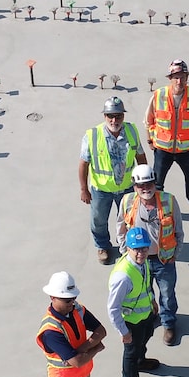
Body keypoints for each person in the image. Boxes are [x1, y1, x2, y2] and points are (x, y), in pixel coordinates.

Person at [116, 162, 183, 346]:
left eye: (149, 184)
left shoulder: (169, 200)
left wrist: (175, 254)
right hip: (139, 261)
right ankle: (153, 315)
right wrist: (125, 253)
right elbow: (121, 228)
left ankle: (168, 323)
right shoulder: (127, 202)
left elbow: (178, 230)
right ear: (135, 186)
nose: (146, 189)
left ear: (155, 183)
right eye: (141, 185)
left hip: (164, 259)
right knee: (145, 292)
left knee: (167, 294)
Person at [77, 95, 143, 265]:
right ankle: (103, 246)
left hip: (128, 187)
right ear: (104, 116)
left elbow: (141, 157)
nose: (114, 120)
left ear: (123, 116)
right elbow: (83, 164)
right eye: (110, 116)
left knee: (130, 219)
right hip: (101, 190)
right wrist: (84, 189)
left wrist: (142, 184)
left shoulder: (131, 131)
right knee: (98, 220)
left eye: (118, 116)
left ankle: (129, 246)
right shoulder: (92, 135)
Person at [146, 59, 189, 222]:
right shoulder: (159, 95)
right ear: (170, 78)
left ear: (187, 78)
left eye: (182, 77)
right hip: (162, 149)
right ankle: (156, 209)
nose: (179, 81)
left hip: (186, 149)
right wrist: (149, 140)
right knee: (157, 182)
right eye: (176, 77)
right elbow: (149, 120)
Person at [107, 226, 161, 377]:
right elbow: (113, 308)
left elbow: (145, 284)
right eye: (136, 249)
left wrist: (152, 301)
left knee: (145, 337)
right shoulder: (123, 277)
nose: (141, 253)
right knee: (131, 351)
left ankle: (140, 360)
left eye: (144, 248)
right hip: (131, 322)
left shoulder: (142, 262)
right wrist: (123, 331)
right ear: (128, 248)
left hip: (144, 315)